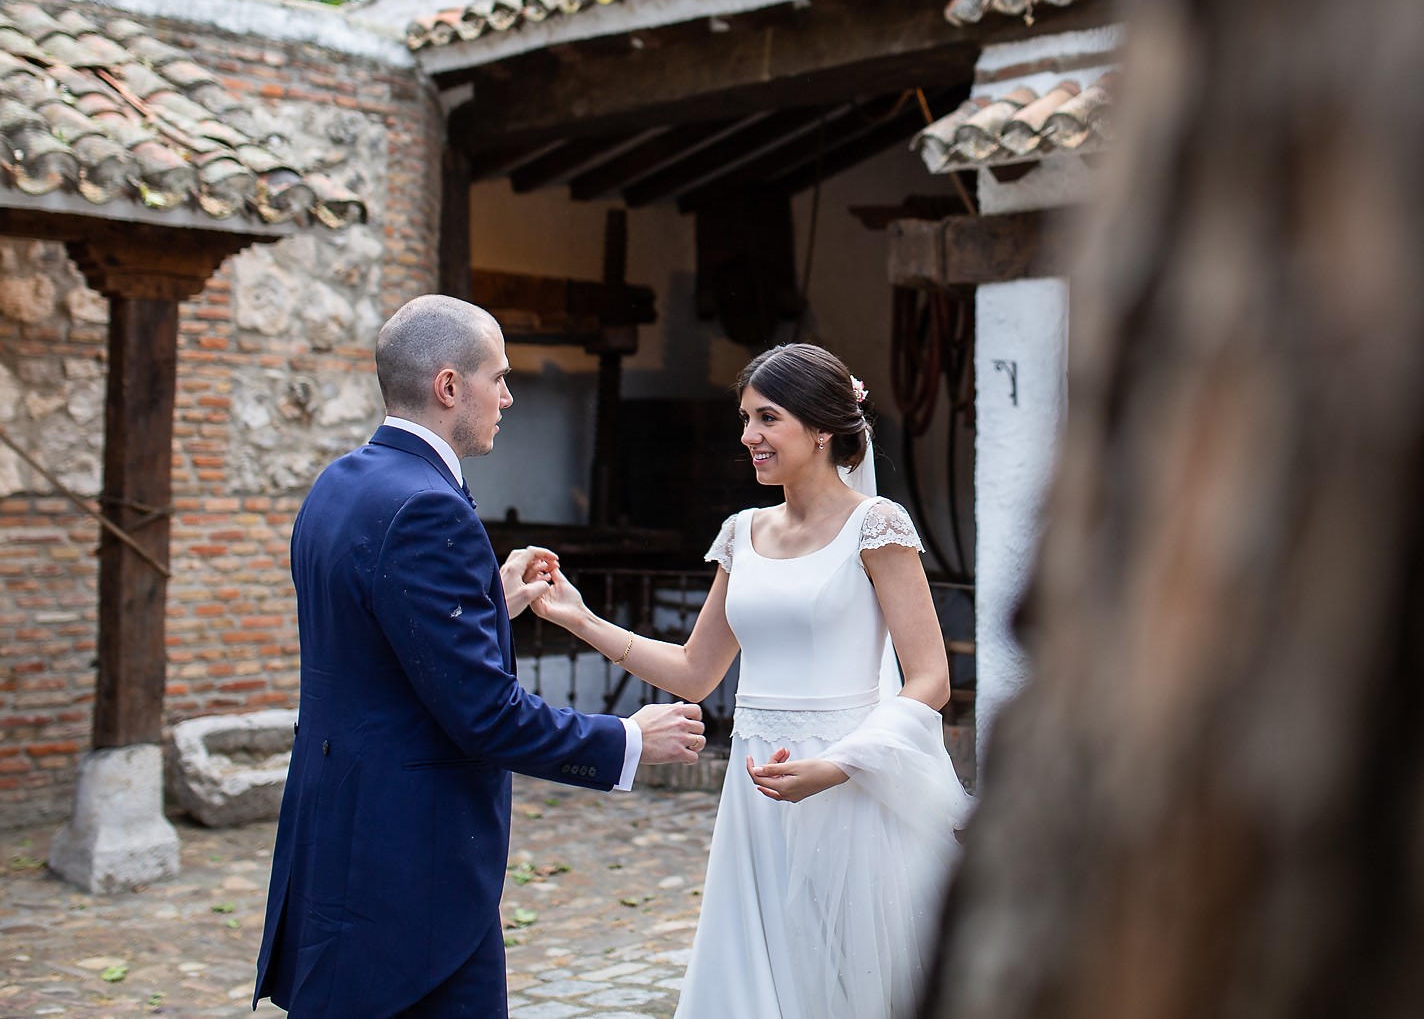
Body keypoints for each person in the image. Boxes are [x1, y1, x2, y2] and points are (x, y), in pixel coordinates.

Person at [255, 295, 707, 1018]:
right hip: (411, 867)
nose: (509, 394)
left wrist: (489, 598)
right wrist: (627, 739)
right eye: (497, 376)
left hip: (338, 831)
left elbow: (379, 638)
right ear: (448, 386)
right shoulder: (429, 507)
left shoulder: (341, 483)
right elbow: (485, 714)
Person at [532, 342, 971, 1018]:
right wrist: (582, 618)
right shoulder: (741, 533)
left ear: (823, 426)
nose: (748, 437)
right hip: (754, 790)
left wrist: (841, 764)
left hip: (847, 786)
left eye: (767, 418)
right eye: (745, 419)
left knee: (843, 983)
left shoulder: (876, 527)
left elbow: (932, 678)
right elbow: (694, 671)